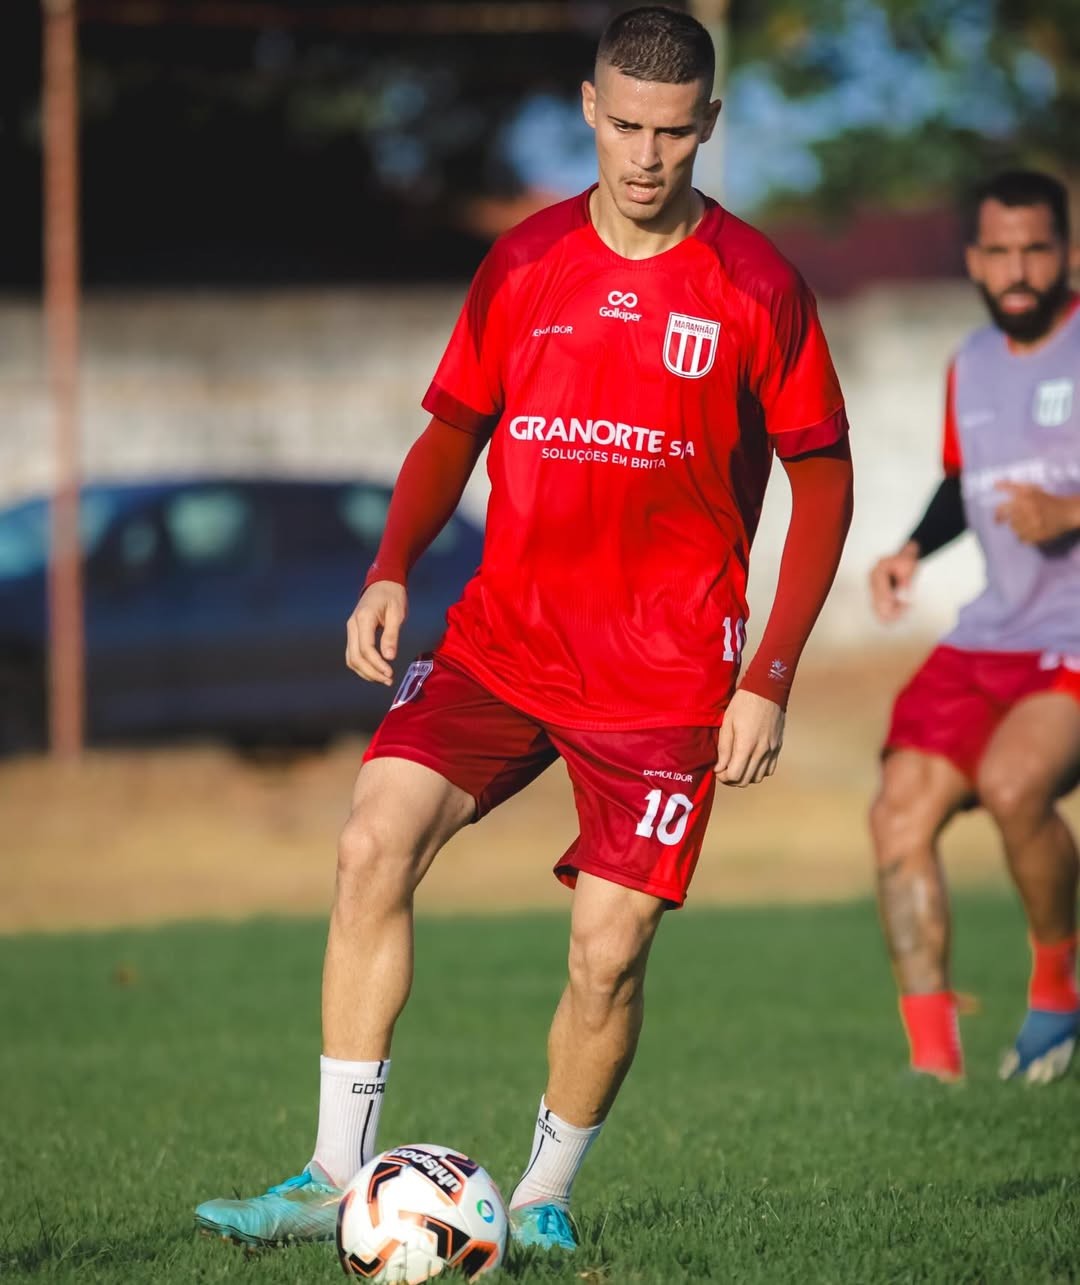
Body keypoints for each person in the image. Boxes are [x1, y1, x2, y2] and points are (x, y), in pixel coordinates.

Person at [195, 5, 854, 1252]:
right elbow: (454, 426)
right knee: (367, 845)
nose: (647, 157)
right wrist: (390, 566)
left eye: (674, 132)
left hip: (664, 675)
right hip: (503, 639)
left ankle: (544, 1198)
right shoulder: (525, 260)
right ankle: (331, 1175)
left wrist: (770, 670)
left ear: (708, 125)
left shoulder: (759, 286)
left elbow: (824, 475)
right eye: (625, 126)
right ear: (589, 110)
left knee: (607, 951)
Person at [868, 169, 1080, 1086]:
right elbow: (964, 483)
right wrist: (912, 546)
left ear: (1067, 250)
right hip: (987, 635)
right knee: (896, 815)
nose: (1018, 267)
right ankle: (935, 1068)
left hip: (1071, 637)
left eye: (1036, 247)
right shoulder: (972, 362)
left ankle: (1056, 995)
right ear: (973, 260)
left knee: (1012, 783)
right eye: (999, 250)